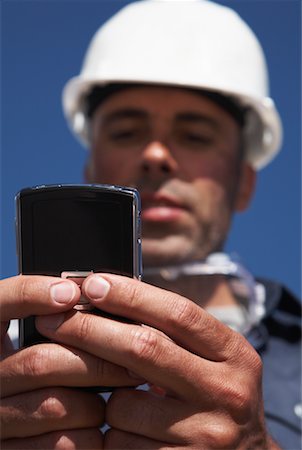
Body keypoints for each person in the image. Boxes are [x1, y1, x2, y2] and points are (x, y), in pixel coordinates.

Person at [1, 1, 301, 449]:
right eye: (126, 131)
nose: (156, 156)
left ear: (245, 183)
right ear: (91, 169)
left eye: (195, 135)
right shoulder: (8, 351)